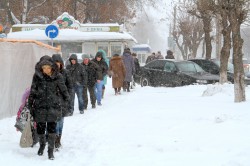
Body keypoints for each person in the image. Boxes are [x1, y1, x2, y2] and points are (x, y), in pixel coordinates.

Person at [28, 58, 70, 160]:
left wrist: (66, 102)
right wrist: (30, 103)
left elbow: (64, 90)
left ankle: (50, 151)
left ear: (52, 68)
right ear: (41, 68)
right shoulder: (37, 77)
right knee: (41, 129)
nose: (46, 70)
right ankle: (42, 145)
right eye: (44, 68)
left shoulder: (58, 76)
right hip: (40, 106)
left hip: (53, 106)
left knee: (52, 129)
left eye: (48, 67)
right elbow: (33, 90)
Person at [52, 54, 73, 150]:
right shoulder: (50, 73)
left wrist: (68, 99)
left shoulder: (65, 73)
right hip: (53, 102)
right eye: (55, 63)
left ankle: (58, 138)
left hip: (63, 102)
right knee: (55, 123)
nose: (57, 65)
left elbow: (69, 87)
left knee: (60, 123)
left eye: (59, 63)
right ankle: (55, 141)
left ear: (61, 64)